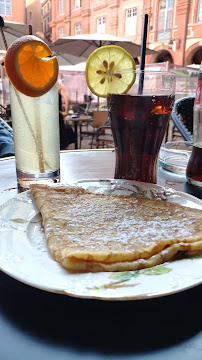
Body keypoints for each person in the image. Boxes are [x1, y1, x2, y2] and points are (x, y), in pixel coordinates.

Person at [58, 81, 75, 150]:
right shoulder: (58, 84)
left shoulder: (40, 83)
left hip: (43, 117)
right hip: (57, 117)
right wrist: (66, 112)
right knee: (63, 146)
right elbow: (67, 99)